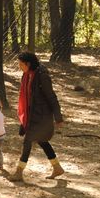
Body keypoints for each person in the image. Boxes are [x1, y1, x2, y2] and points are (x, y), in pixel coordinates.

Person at [9, 52, 64, 182]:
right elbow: (27, 99)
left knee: (28, 141)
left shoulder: (42, 76)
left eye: (21, 64)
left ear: (28, 64)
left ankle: (19, 172)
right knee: (42, 141)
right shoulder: (26, 75)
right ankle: (57, 167)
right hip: (32, 114)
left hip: (42, 115)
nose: (19, 66)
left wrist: (58, 118)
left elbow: (51, 96)